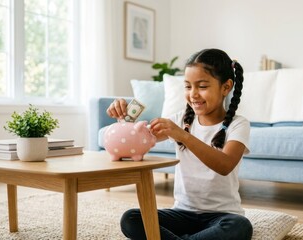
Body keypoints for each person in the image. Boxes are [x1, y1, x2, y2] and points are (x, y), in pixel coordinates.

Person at [106, 48, 252, 240]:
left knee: (240, 226)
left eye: (202, 86)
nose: (193, 94)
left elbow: (224, 165)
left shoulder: (238, 124)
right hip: (182, 213)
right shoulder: (180, 120)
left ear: (226, 87)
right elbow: (140, 139)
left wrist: (182, 135)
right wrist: (124, 117)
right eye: (188, 86)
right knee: (131, 218)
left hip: (221, 216)